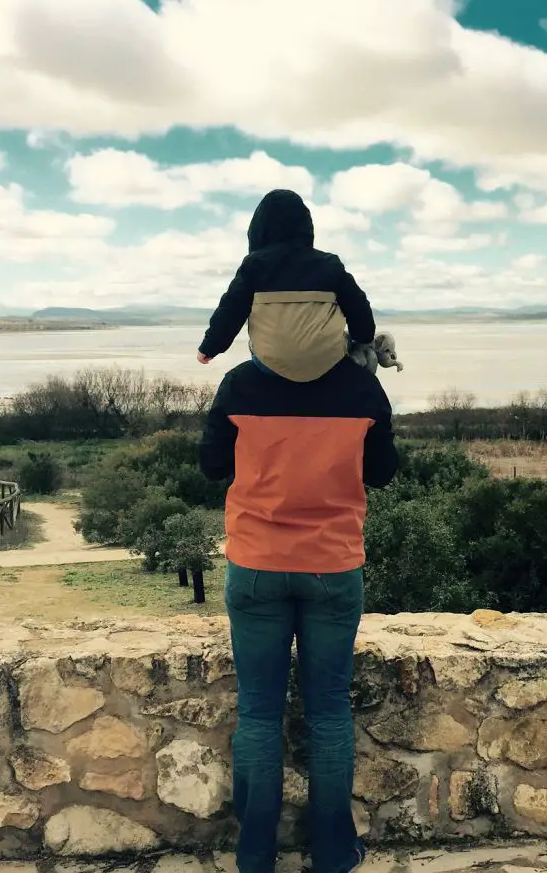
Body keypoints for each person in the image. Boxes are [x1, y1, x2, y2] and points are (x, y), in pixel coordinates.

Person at [198, 348, 399, 873]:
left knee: (258, 713)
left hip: (256, 563)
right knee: (329, 711)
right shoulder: (361, 388)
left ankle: (255, 856)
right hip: (332, 567)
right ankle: (333, 853)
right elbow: (382, 473)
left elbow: (211, 464)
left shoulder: (240, 382)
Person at [196, 189, 377, 382]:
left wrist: (209, 348)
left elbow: (230, 311)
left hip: (269, 367)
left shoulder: (254, 265)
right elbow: (359, 306)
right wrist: (363, 339)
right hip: (327, 363)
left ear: (259, 229)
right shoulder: (330, 264)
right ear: (307, 226)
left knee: (256, 344)